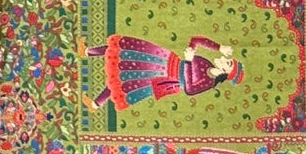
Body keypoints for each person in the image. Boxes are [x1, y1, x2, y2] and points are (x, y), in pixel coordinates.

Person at [85, 36, 243, 109]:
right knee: (128, 52)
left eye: (228, 63)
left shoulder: (209, 82)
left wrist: (188, 61)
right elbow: (195, 40)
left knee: (127, 78)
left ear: (225, 73)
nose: (225, 58)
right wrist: (219, 47)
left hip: (168, 80)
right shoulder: (207, 63)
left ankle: (96, 103)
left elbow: (189, 90)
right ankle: (88, 51)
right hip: (168, 60)